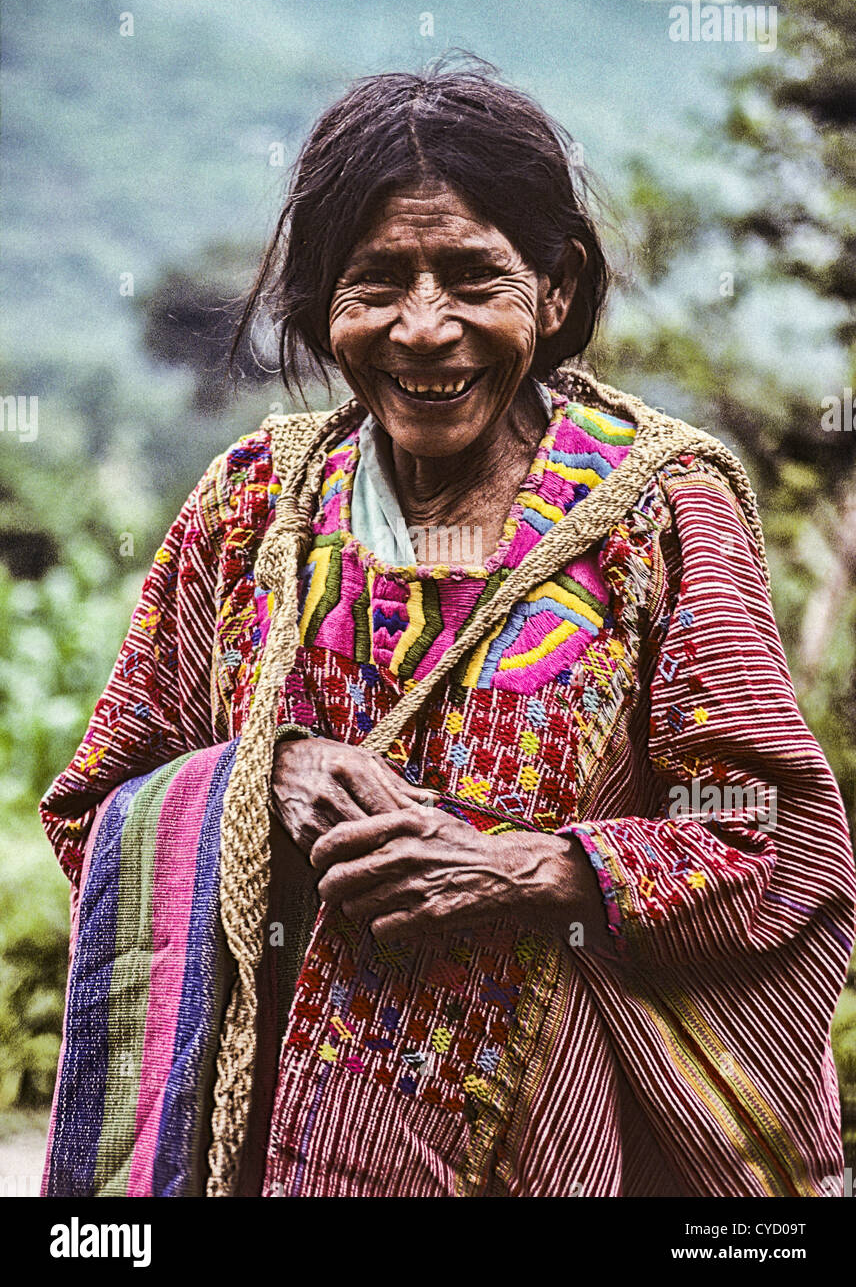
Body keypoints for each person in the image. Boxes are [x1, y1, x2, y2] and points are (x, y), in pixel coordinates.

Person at [41, 65, 856, 1198]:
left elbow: (772, 841)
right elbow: (98, 818)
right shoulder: (246, 513)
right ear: (324, 300)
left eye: (474, 277)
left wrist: (528, 867)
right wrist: (263, 781)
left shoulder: (657, 511)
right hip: (272, 1146)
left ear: (557, 288)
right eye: (377, 283)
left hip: (543, 1145)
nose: (425, 329)